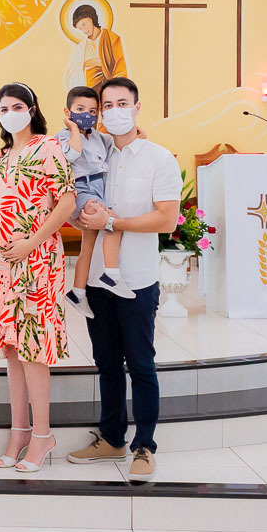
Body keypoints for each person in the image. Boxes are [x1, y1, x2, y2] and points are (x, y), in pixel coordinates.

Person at [67, 76, 181, 482]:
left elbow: (167, 219)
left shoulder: (158, 158)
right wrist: (82, 216)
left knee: (141, 364)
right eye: (107, 105)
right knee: (107, 364)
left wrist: (114, 222)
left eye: (122, 103)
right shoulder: (94, 152)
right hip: (98, 282)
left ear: (136, 107)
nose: (114, 111)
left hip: (136, 280)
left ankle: (144, 446)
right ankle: (112, 438)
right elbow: (77, 202)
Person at [0, 82, 76, 474]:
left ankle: (42, 435)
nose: (10, 114)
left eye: (17, 106)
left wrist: (31, 242)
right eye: (4, 108)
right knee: (11, 348)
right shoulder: (0, 156)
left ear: (32, 109)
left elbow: (67, 201)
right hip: (3, 265)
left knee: (33, 348)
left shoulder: (48, 147)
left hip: (37, 259)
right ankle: (19, 431)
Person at [56, 87, 131, 318]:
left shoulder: (99, 138)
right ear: (68, 112)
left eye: (92, 111)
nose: (87, 115)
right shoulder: (62, 137)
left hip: (99, 187)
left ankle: (77, 292)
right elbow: (72, 154)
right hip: (81, 188)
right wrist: (73, 129)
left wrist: (139, 133)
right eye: (80, 109)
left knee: (87, 245)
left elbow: (119, 143)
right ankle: (112, 275)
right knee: (113, 222)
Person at [63, 4, 128, 92]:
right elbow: (72, 72)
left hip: (110, 90)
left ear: (91, 19)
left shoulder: (112, 38)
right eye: (80, 29)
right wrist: (86, 64)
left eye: (84, 24)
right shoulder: (82, 46)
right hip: (90, 93)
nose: (84, 30)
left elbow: (120, 69)